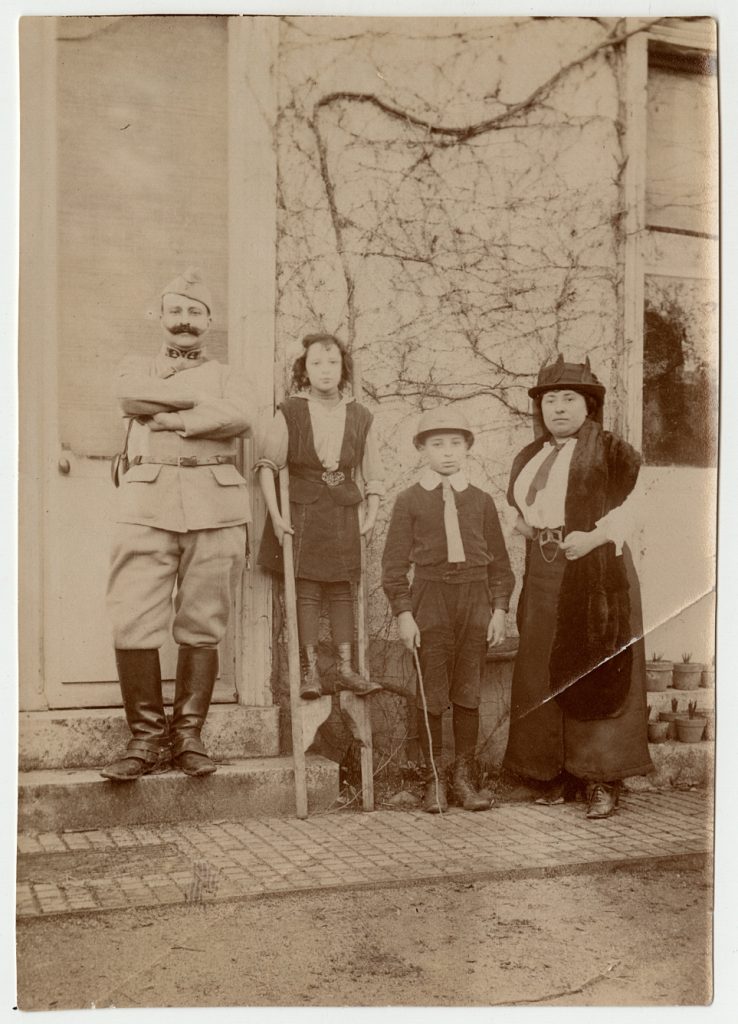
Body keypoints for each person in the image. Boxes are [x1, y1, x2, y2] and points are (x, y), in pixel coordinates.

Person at [102, 267, 251, 781]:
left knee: (203, 620)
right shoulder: (133, 364)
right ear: (159, 317)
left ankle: (188, 737)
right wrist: (198, 402)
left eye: (194, 313)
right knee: (134, 616)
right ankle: (144, 738)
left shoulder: (229, 373)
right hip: (146, 502)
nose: (184, 322)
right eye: (175, 311)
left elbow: (242, 414)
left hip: (215, 503)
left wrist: (170, 416)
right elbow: (129, 399)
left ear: (208, 321)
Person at [503, 354, 653, 819]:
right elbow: (519, 506)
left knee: (596, 665)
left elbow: (638, 503)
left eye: (569, 399)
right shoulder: (529, 456)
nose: (559, 409)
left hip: (597, 570)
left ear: (588, 405)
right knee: (543, 668)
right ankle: (555, 774)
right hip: (546, 571)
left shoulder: (613, 451)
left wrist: (595, 536)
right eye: (550, 400)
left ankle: (602, 780)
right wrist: (525, 526)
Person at [382, 407, 515, 813]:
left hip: (474, 600)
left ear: (468, 448)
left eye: (456, 443)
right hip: (430, 599)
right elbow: (392, 567)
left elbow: (501, 567)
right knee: (432, 690)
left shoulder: (481, 501)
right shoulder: (409, 501)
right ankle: (434, 779)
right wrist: (405, 613)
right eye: (437, 444)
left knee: (468, 691)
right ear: (421, 449)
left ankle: (464, 779)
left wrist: (498, 609)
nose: (448, 453)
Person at [256, 332, 383, 699]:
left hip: (343, 511)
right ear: (304, 369)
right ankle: (310, 672)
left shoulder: (360, 415)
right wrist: (277, 517)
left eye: (332, 363)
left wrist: (372, 513)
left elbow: (373, 473)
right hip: (303, 510)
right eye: (316, 363)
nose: (325, 371)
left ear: (343, 368)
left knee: (343, 589)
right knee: (307, 590)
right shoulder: (291, 410)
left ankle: (345, 668)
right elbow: (267, 465)